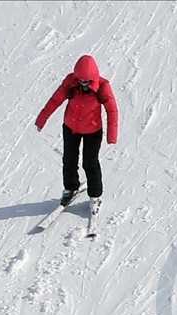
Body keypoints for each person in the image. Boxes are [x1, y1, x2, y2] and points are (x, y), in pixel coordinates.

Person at [35, 55, 118, 214]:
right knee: (69, 159)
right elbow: (55, 100)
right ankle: (70, 188)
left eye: (86, 81)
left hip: (93, 131)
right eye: (80, 80)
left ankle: (95, 196)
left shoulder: (102, 86)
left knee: (90, 163)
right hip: (71, 128)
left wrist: (111, 135)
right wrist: (41, 120)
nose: (83, 84)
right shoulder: (71, 82)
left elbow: (112, 110)